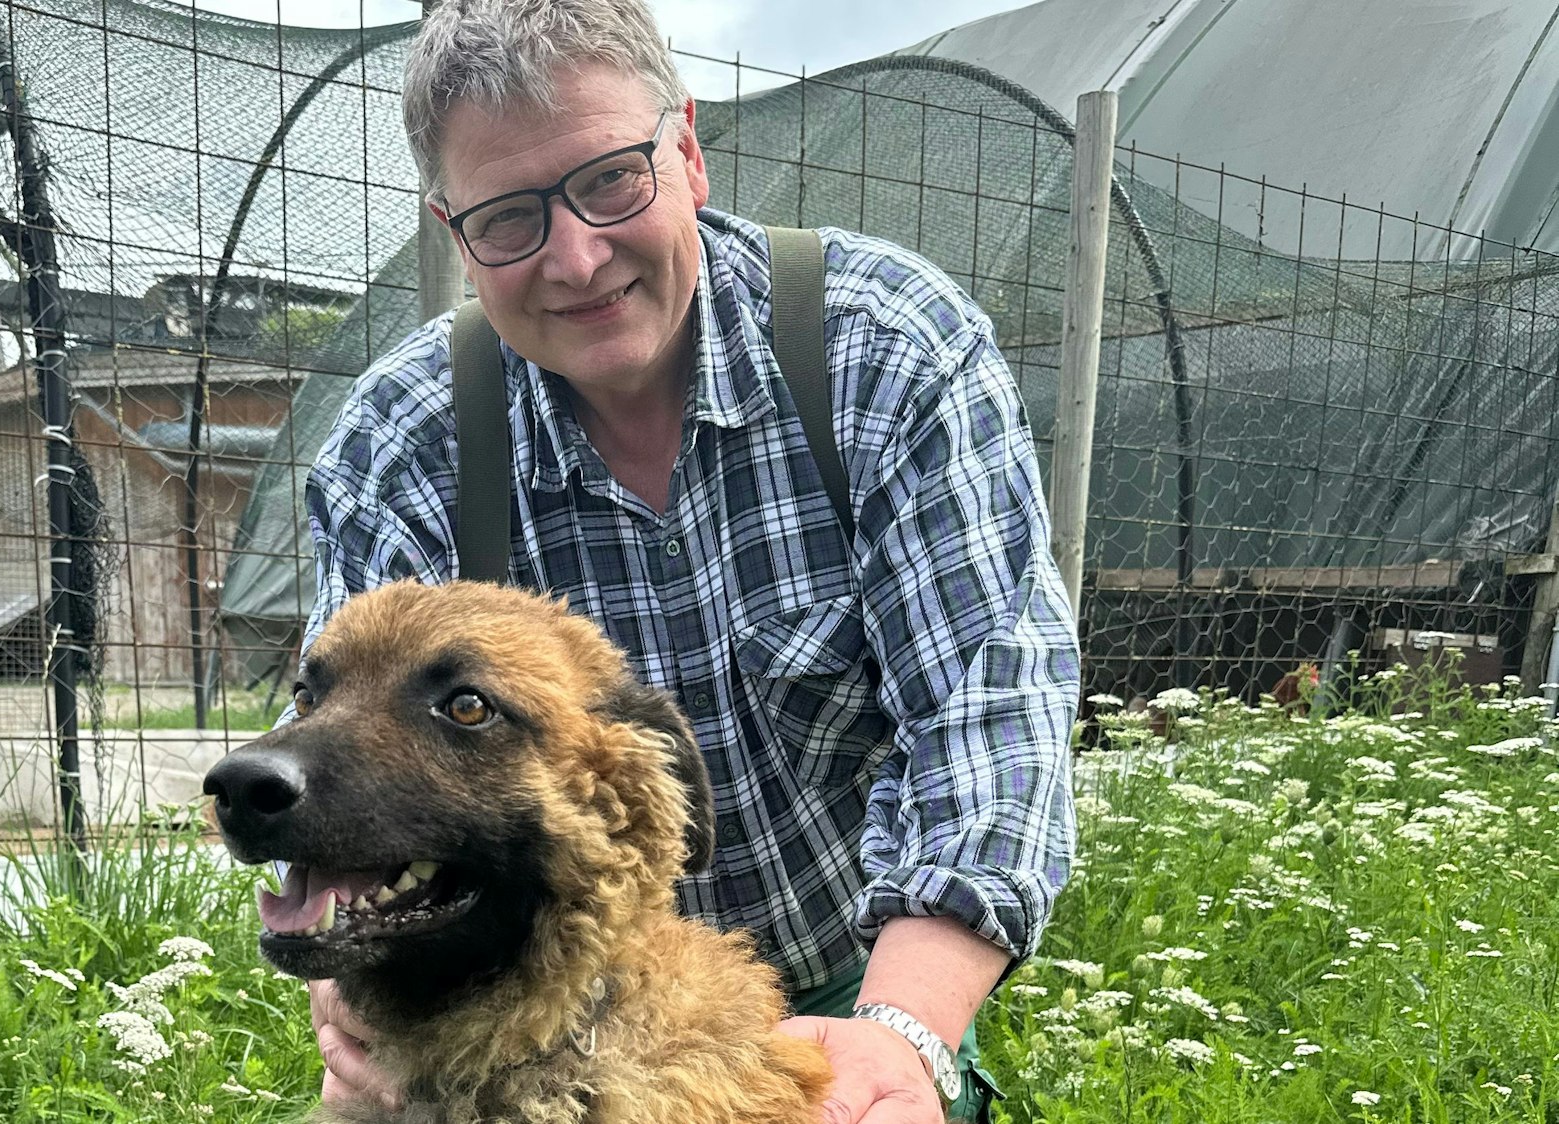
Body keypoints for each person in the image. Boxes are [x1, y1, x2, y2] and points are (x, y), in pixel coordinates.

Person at [292, 1, 1080, 1120]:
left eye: (612, 179)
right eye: (509, 218)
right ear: (453, 234)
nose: (575, 257)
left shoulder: (884, 349)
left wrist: (900, 1033)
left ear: (689, 154)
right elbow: (350, 787)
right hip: (537, 985)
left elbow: (984, 717)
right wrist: (355, 980)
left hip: (864, 957)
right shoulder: (404, 443)